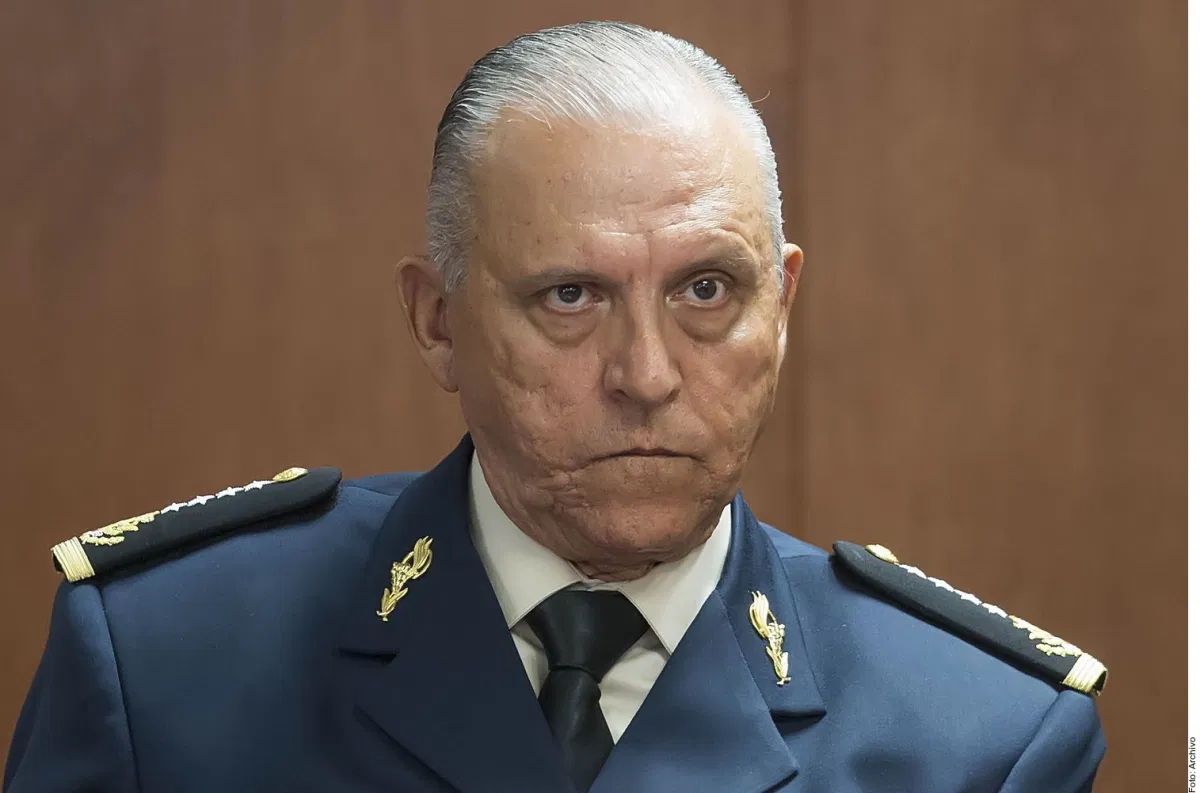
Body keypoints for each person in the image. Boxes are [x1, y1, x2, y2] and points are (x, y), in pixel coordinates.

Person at [4, 21, 1105, 793]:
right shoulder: (165, 663)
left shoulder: (979, 737)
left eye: (706, 291)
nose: (648, 374)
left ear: (783, 306)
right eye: (571, 296)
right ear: (438, 321)